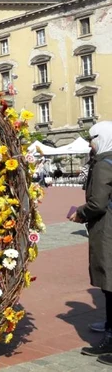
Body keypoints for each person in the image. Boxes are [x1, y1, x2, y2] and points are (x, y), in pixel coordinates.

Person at [69, 121, 112, 365]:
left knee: (109, 284)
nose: (90, 143)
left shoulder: (104, 164)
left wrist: (80, 213)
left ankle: (110, 338)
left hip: (107, 230)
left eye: (92, 138)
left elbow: (97, 203)